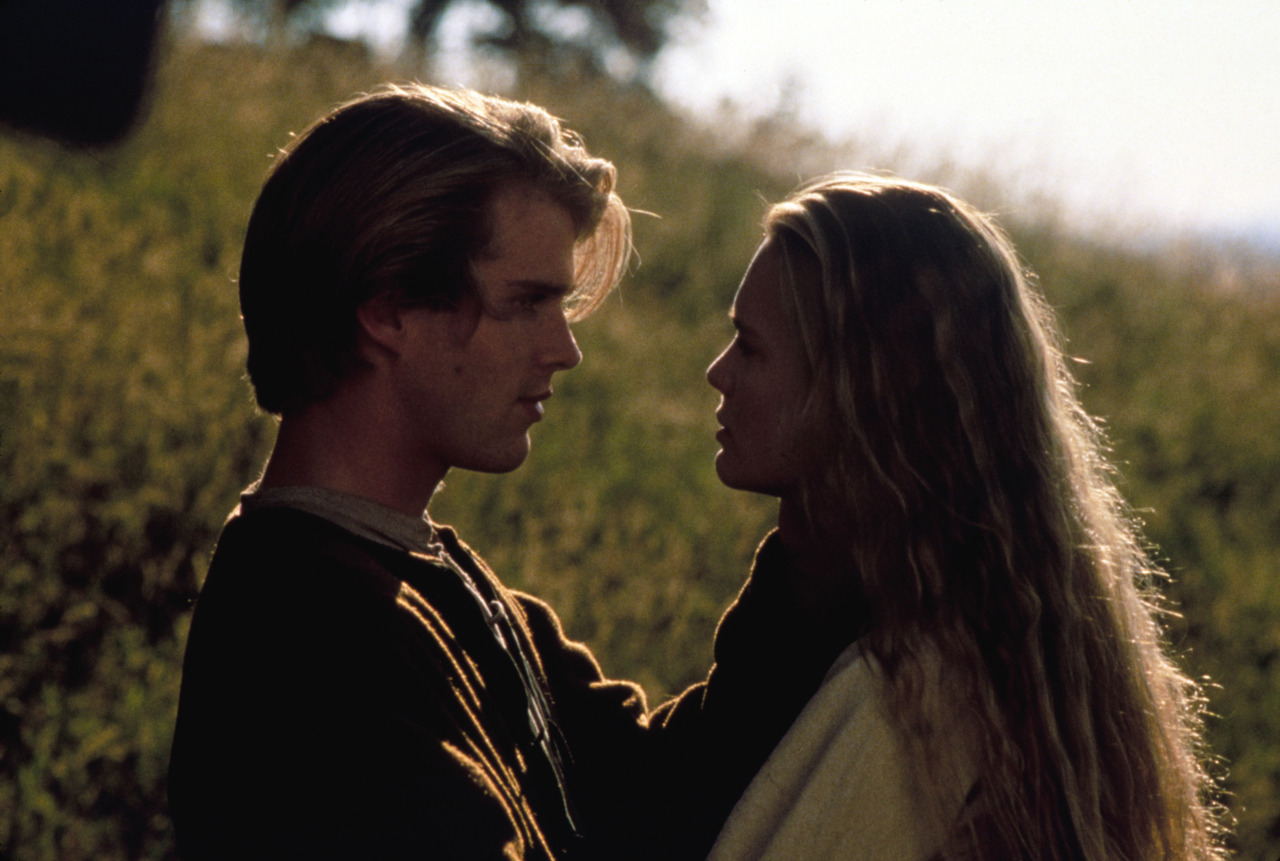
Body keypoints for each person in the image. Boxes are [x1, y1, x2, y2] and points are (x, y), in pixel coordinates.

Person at [167, 82, 651, 860]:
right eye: (527, 303)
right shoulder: (308, 637)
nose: (565, 350)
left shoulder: (422, 571)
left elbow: (657, 786)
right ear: (389, 309)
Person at [698, 174, 1226, 860]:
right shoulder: (852, 615)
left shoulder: (919, 702)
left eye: (751, 345)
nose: (719, 371)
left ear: (862, 388)